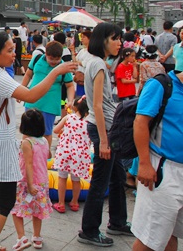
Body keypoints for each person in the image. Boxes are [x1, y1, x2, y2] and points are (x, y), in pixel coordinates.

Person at [0, 32, 77, 251]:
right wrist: (56, 71)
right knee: (7, 201)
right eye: (9, 51)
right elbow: (31, 96)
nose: (13, 54)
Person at [78, 23, 131, 246]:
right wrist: (104, 141)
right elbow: (98, 106)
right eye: (114, 38)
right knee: (101, 181)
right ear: (103, 41)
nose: (119, 42)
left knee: (118, 176)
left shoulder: (94, 61)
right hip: (104, 128)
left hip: (107, 126)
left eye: (119, 38)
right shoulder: (98, 65)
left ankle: (118, 221)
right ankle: (89, 230)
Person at [131, 70, 183, 251]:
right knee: (150, 238)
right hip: (163, 170)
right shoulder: (162, 85)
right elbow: (140, 122)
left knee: (170, 234)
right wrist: (144, 164)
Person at [22, 41, 75, 154]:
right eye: (51, 59)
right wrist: (22, 89)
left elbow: (70, 85)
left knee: (46, 133)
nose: (54, 62)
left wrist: (70, 100)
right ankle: (25, 155)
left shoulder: (63, 67)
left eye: (57, 59)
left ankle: (45, 157)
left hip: (49, 105)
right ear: (46, 54)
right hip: (32, 101)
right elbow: (28, 74)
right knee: (27, 131)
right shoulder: (37, 59)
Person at [10, 109, 52, 251]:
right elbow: (48, 155)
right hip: (42, 181)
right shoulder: (44, 140)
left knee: (16, 209)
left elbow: (28, 164)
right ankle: (37, 237)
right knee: (38, 211)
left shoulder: (27, 142)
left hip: (26, 182)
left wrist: (29, 184)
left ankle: (22, 237)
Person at [52, 95, 91, 214]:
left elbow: (55, 130)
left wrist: (65, 131)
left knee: (62, 177)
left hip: (66, 152)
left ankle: (61, 203)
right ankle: (74, 202)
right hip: (80, 154)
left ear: (75, 107)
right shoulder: (89, 122)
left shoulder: (68, 118)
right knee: (76, 179)